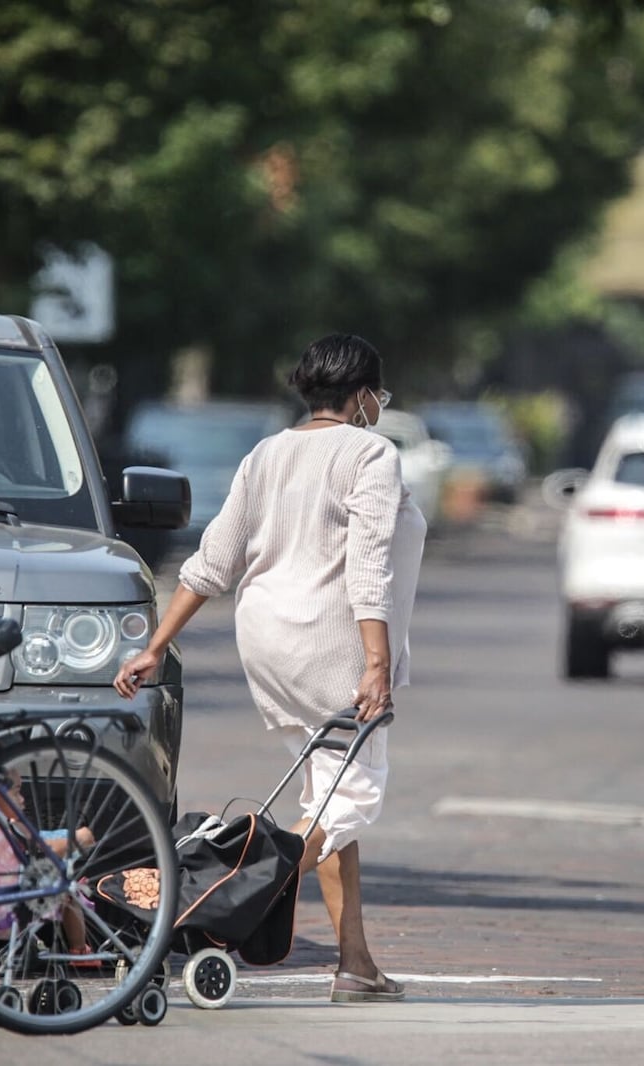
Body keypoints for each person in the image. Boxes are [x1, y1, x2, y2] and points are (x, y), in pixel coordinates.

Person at [112, 333, 425, 1003]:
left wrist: (156, 644)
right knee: (352, 799)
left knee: (327, 800)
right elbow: (371, 565)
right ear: (364, 395)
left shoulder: (267, 453)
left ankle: (355, 963)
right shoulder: (371, 453)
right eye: (380, 394)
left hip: (267, 639)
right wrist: (375, 664)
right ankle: (189, 901)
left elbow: (213, 560)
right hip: (330, 643)